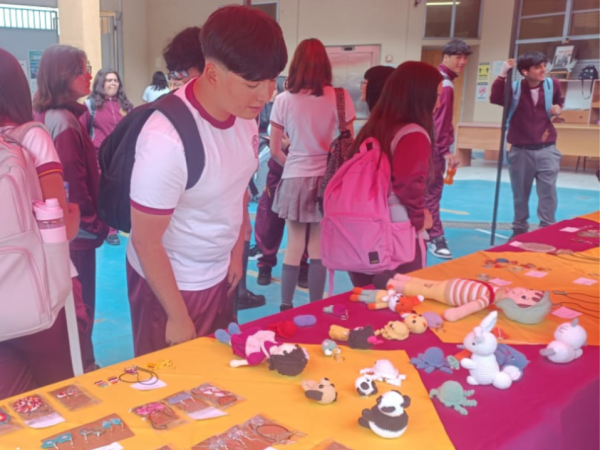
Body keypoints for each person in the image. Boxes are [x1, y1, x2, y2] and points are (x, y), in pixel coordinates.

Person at [126, 5, 287, 357]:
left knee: (220, 371)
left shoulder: (244, 115)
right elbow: (145, 240)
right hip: (171, 286)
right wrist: (177, 315)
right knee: (173, 383)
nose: (266, 95)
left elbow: (237, 189)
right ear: (212, 74)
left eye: (273, 80)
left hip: (219, 274)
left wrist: (235, 253)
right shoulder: (167, 139)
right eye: (253, 84)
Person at [0, 47, 91, 399]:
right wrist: (75, 217)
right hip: (44, 295)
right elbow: (60, 224)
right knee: (64, 397)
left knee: (14, 406)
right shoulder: (30, 136)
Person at [33, 44, 109, 370]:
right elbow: (71, 183)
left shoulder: (51, 116)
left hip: (60, 230)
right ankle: (84, 364)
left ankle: (79, 359)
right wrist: (93, 224)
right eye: (82, 70)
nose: (89, 76)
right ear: (62, 76)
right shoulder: (63, 121)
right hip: (74, 231)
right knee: (81, 301)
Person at [270, 38, 355, 311]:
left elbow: (274, 150)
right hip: (326, 180)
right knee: (317, 247)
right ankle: (315, 307)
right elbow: (349, 145)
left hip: (294, 176)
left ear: (296, 64)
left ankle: (285, 306)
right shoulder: (339, 97)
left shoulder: (283, 100)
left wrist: (293, 166)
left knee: (294, 245)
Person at [347, 61, 442, 287]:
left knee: (367, 296)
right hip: (396, 233)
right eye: (437, 96)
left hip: (360, 230)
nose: (439, 103)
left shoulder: (373, 127)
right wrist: (419, 219)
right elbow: (409, 183)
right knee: (401, 298)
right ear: (421, 96)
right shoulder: (413, 134)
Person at [490, 52, 563, 238]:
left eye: (544, 66)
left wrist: (557, 109)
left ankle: (547, 228)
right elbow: (495, 98)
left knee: (548, 192)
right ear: (525, 72)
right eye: (538, 67)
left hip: (547, 149)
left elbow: (558, 101)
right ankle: (519, 228)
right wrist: (502, 74)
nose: (543, 70)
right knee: (520, 193)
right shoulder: (514, 89)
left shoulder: (552, 85)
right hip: (520, 151)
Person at [253, 76, 309, 288]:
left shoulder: (313, 108)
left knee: (303, 222)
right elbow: (275, 146)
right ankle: (265, 264)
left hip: (303, 172)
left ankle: (303, 267)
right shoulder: (278, 105)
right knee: (269, 220)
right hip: (279, 172)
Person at [426, 38, 471, 260]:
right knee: (432, 192)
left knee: (422, 192)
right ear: (446, 57)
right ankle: (434, 236)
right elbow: (439, 121)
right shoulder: (445, 85)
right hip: (431, 148)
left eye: (465, 57)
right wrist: (444, 149)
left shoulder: (435, 78)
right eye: (457, 57)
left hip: (422, 143)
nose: (462, 61)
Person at [81, 68, 133, 245]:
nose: (113, 83)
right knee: (102, 193)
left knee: (119, 193)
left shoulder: (126, 106)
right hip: (98, 158)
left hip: (121, 158)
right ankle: (108, 230)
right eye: (109, 80)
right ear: (101, 83)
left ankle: (116, 226)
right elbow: (82, 132)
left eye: (115, 80)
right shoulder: (91, 106)